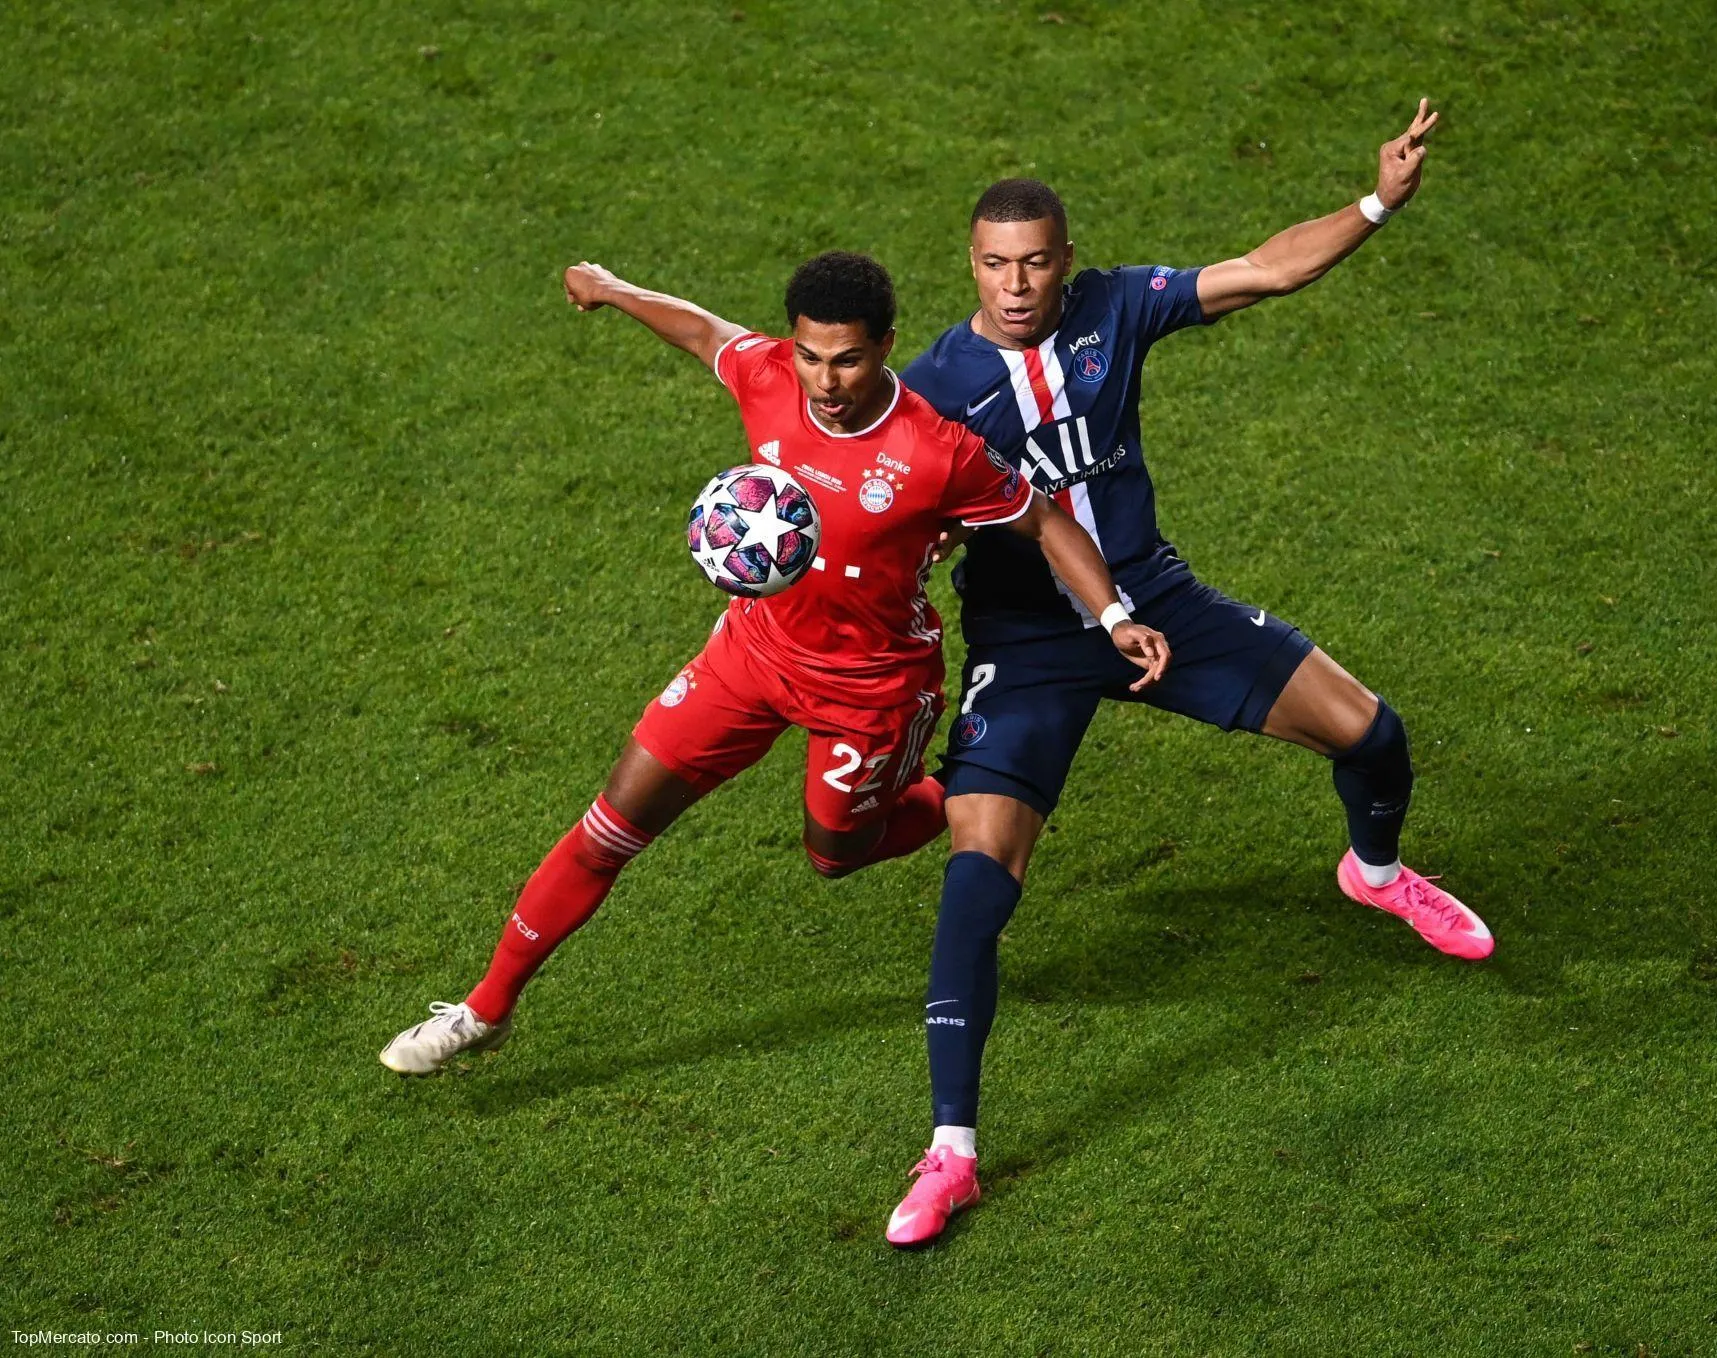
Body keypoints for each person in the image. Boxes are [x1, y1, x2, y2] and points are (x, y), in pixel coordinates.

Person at [881, 101, 1488, 1247]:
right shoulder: (933, 389)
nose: (1015, 285)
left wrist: (1374, 202)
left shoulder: (1115, 307)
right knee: (974, 886)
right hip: (1028, 644)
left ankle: (1374, 870)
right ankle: (950, 1150)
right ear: (970, 264)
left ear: (1066, 260)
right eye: (994, 265)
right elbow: (911, 530)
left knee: (1371, 731)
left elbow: (1261, 270)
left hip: (1154, 596)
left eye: (1035, 263)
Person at [380, 251, 1169, 1076]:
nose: (825, 381)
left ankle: (969, 790)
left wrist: (1112, 616)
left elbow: (1042, 523)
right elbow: (699, 330)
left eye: (848, 359)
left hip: (872, 692)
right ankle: (484, 1009)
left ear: (886, 346)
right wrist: (612, 289)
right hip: (750, 659)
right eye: (811, 356)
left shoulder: (937, 451)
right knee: (611, 823)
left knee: (835, 854)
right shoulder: (767, 378)